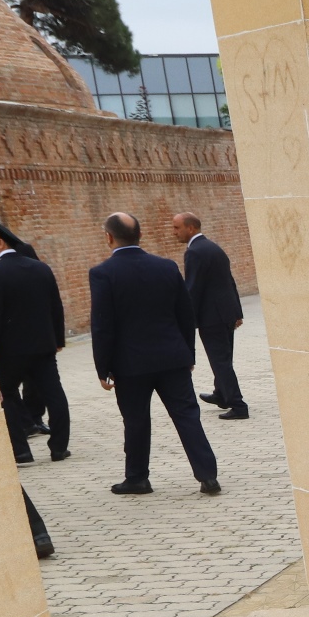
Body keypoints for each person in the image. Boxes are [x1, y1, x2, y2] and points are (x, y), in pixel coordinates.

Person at [88, 212, 219, 495]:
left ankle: (137, 478)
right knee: (187, 416)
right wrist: (188, 354)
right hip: (172, 357)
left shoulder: (102, 273)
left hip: (130, 364)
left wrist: (103, 368)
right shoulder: (166, 266)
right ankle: (208, 475)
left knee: (136, 421)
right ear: (140, 235)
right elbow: (185, 314)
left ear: (109, 237)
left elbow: (102, 325)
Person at [0, 214, 70, 464]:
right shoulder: (41, 267)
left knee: (8, 395)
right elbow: (56, 307)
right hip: (43, 346)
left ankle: (21, 451)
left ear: (0, 242)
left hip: (9, 351)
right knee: (54, 394)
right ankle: (59, 447)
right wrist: (58, 340)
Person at [169, 212, 248, 421]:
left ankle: (238, 405)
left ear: (191, 228)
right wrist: (237, 312)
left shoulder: (194, 252)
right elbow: (229, 281)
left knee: (220, 361)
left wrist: (185, 319)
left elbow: (193, 289)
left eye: (177, 228)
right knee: (224, 359)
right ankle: (221, 394)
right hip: (225, 314)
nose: (174, 232)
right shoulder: (213, 247)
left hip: (211, 317)